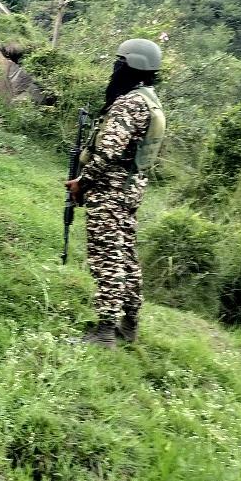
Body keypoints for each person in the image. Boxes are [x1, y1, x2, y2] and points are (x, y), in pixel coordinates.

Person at [65, 39, 165, 349]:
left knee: (107, 256)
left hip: (110, 191)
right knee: (127, 255)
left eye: (119, 63)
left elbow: (108, 153)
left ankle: (105, 330)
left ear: (130, 66)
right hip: (130, 189)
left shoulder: (129, 104)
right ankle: (129, 324)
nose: (115, 68)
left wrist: (83, 182)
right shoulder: (149, 100)